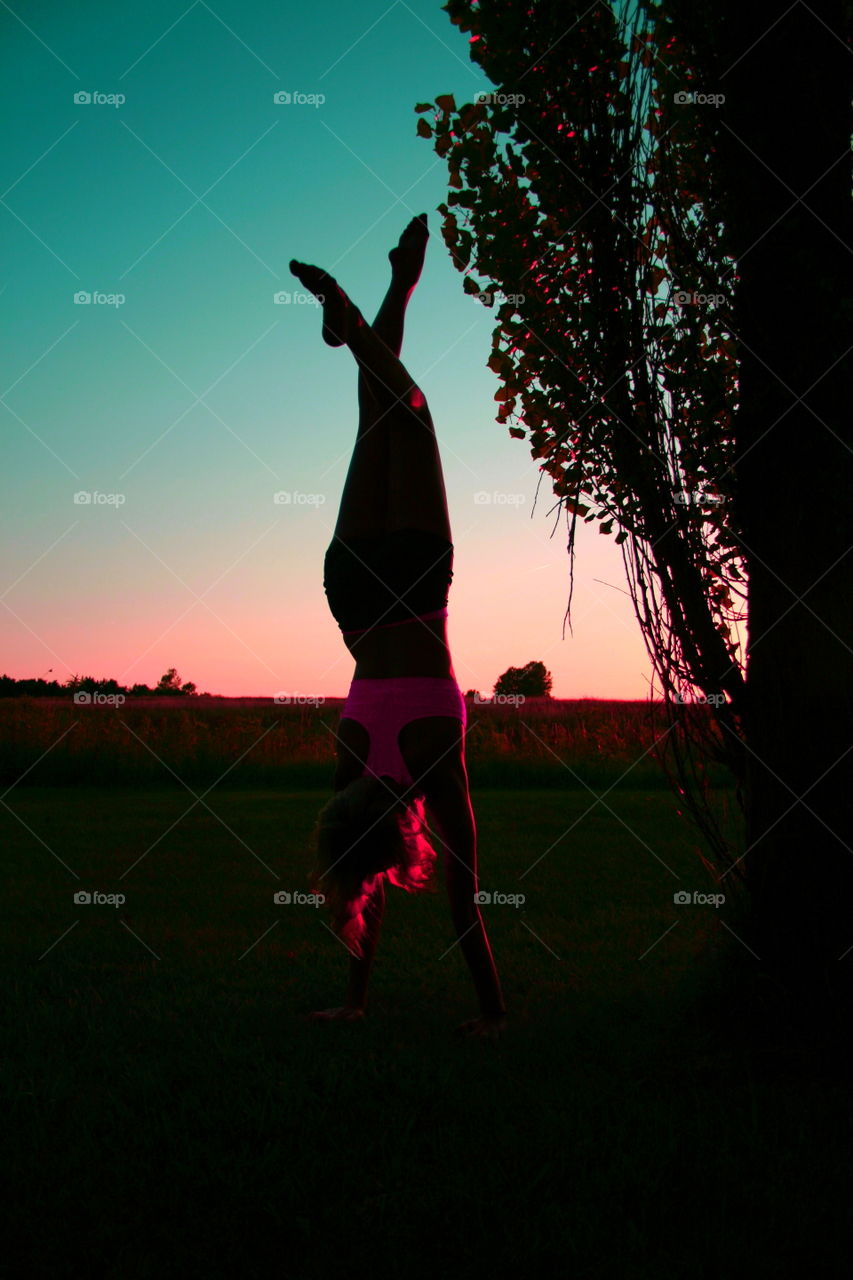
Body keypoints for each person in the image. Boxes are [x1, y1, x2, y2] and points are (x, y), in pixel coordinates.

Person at [290, 214, 506, 1039]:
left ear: (403, 836)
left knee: (405, 409)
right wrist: (351, 998)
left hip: (414, 585)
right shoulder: (351, 764)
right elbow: (354, 877)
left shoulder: (433, 763)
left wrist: (490, 1012)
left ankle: (356, 311)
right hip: (351, 591)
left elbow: (466, 907)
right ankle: (390, 290)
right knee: (376, 412)